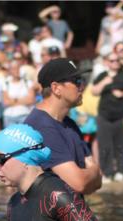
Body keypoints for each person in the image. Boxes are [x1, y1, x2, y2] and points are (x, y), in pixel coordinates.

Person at [26, 58, 102, 195]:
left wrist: (90, 175)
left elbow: (97, 183)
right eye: (77, 82)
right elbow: (79, 183)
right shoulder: (41, 127)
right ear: (56, 88)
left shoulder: (69, 124)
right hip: (48, 216)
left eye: (83, 81)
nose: (82, 87)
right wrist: (94, 171)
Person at [91, 51, 123, 181]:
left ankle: (121, 171)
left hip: (120, 115)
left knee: (121, 144)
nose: (115, 63)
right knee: (104, 145)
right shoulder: (102, 76)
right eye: (112, 60)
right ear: (107, 62)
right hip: (104, 115)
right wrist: (104, 82)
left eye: (117, 60)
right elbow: (94, 91)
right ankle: (107, 172)